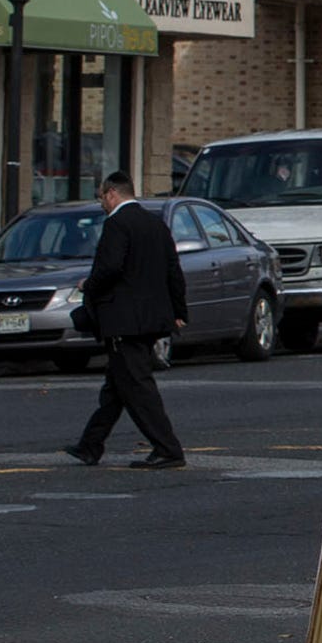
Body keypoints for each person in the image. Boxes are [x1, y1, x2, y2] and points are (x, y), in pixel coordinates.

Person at [62, 172, 188, 470]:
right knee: (116, 389)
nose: (101, 203)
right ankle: (90, 446)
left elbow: (110, 268)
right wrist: (179, 311)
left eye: (100, 197)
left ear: (111, 194)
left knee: (138, 388)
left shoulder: (117, 225)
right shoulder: (155, 223)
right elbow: (173, 270)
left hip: (124, 321)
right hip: (150, 319)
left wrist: (87, 285)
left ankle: (168, 449)